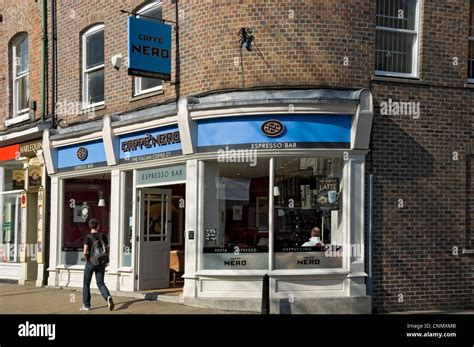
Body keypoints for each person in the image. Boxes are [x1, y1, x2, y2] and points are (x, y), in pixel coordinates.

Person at [80, 218, 114, 311]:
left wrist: (87, 260)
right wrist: (104, 259)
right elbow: (107, 248)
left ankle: (86, 306)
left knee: (86, 284)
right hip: (101, 262)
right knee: (100, 283)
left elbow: (85, 252)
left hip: (90, 263)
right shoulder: (103, 235)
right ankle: (108, 297)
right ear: (98, 226)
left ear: (90, 227)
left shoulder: (87, 237)